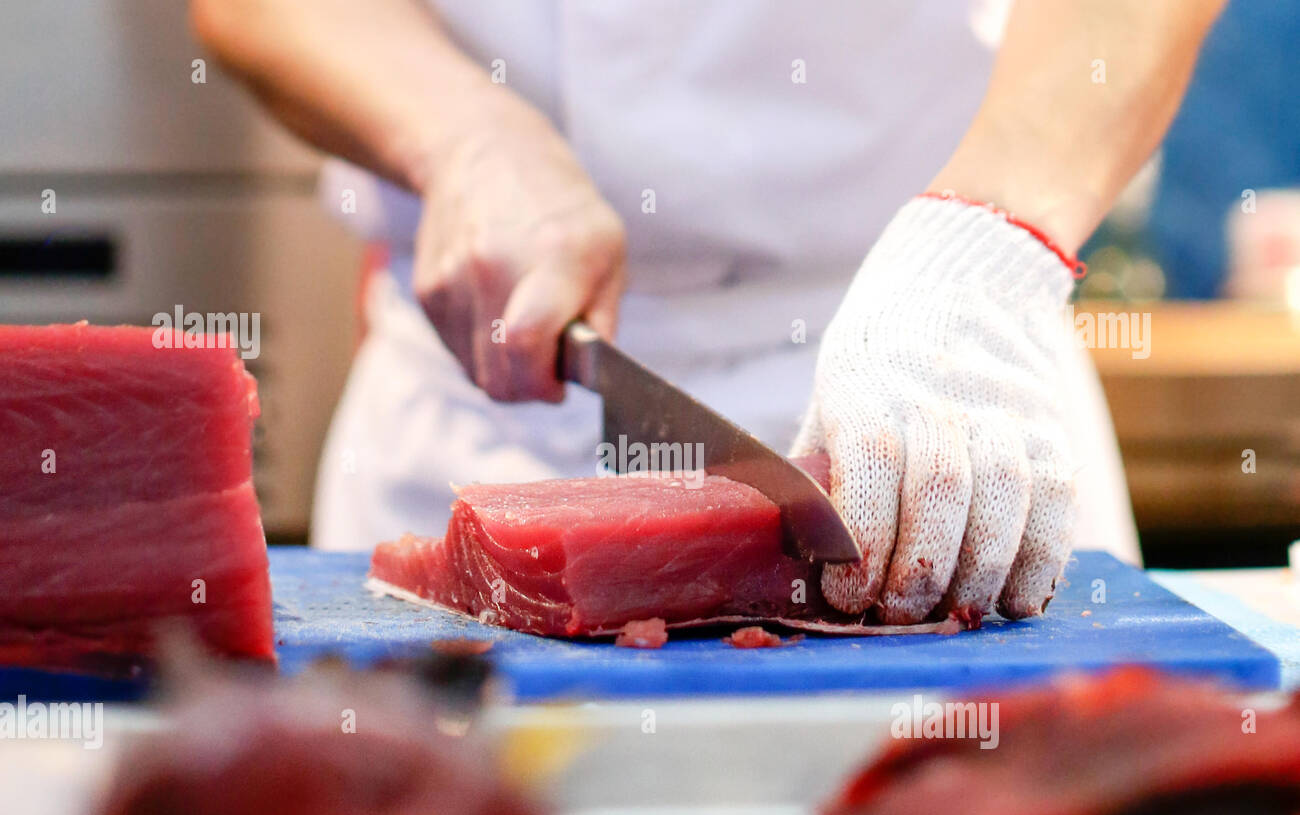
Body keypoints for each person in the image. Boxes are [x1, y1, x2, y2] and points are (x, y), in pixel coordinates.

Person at [192, 0, 1225, 624]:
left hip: (933, 366)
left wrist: (983, 250)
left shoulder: (949, 313)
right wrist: (458, 134)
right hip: (486, 401)